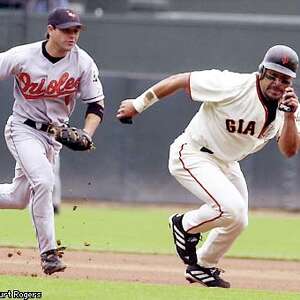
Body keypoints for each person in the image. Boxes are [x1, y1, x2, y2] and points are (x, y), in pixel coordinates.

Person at [117, 45, 300, 288]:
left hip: (227, 162)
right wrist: (139, 104)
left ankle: (202, 265)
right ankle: (183, 225)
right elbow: (180, 80)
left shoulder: (289, 108)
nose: (277, 82)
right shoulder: (232, 85)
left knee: (239, 220)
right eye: (272, 75)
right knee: (231, 209)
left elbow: (289, 150)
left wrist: (289, 117)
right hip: (193, 152)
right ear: (261, 71)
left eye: (284, 78)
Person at [0, 7, 104, 275]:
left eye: (76, 30)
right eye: (67, 30)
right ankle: (49, 254)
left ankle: (47, 250)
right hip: (23, 129)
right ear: (50, 30)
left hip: (54, 136)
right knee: (45, 182)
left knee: (18, 198)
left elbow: (96, 105)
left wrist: (86, 133)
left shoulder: (82, 62)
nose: (73, 35)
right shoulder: (22, 56)